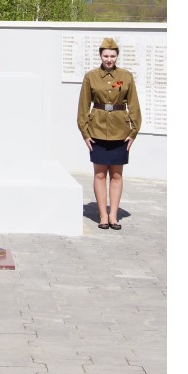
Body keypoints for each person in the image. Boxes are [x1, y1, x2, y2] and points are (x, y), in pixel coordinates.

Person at [77, 37, 141, 230]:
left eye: (112, 56)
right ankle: (103, 215)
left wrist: (134, 131)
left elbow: (134, 105)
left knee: (117, 175)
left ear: (117, 56)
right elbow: (83, 106)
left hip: (120, 131)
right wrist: (85, 132)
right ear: (100, 55)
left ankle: (113, 215)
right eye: (106, 56)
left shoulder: (126, 76)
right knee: (99, 174)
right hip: (96, 130)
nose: (109, 59)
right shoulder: (91, 77)